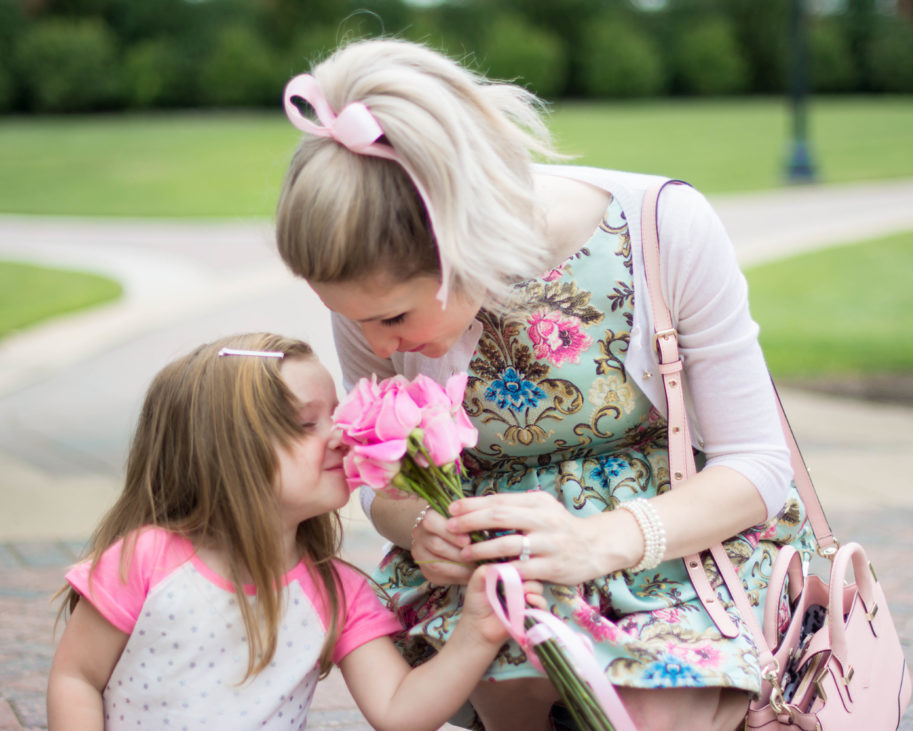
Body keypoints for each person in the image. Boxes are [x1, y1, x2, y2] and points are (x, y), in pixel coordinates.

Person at [275, 38, 816, 731]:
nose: (379, 345)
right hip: (506, 582)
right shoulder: (372, 289)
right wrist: (423, 526)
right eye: (355, 319)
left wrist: (602, 541)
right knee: (519, 691)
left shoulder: (663, 228)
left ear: (463, 240)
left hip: (675, 550)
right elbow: (389, 485)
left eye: (393, 316)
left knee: (651, 710)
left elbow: (759, 464)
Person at [46, 332, 528, 731]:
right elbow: (77, 678)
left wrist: (478, 631)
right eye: (306, 423)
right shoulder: (145, 559)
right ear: (222, 454)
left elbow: (399, 708)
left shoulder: (337, 592)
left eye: (335, 415)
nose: (342, 434)